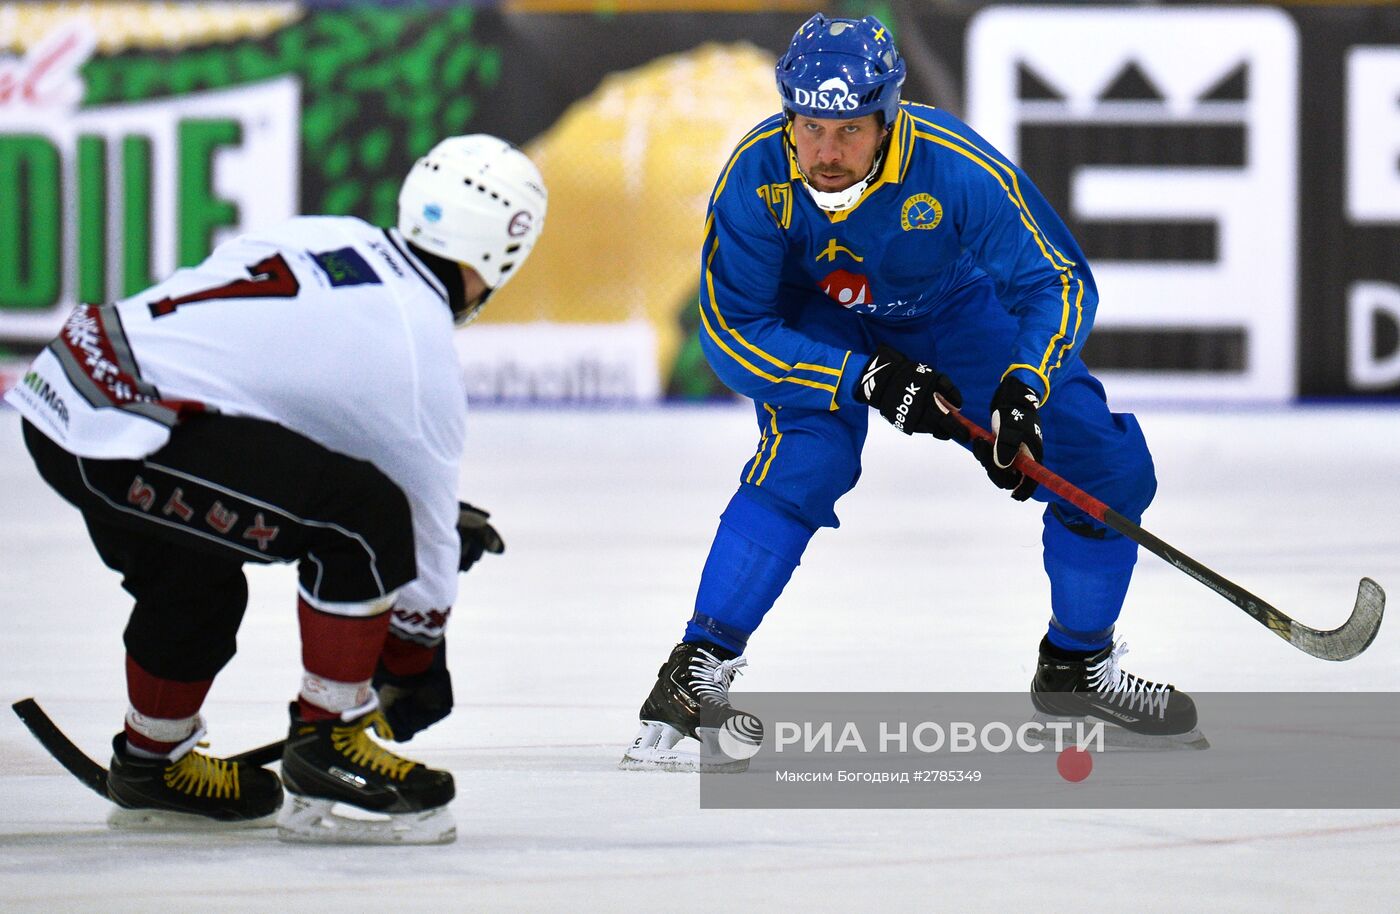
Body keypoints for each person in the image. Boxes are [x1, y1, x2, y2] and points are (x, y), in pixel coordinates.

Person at [621, 14, 1204, 771]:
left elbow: (1055, 279)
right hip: (815, 317)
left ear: (888, 116)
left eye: (850, 130)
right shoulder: (756, 179)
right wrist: (858, 378)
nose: (826, 154)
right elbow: (732, 334)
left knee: (1107, 467)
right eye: (808, 127)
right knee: (812, 453)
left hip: (947, 308)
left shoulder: (955, 165)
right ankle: (695, 670)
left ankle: (1076, 668)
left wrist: (1022, 387)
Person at [6, 135, 546, 841]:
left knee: (196, 581)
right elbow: (418, 538)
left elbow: (265, 380)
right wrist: (415, 664)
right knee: (363, 520)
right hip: (119, 432)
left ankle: (153, 762)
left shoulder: (328, 235)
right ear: (503, 255)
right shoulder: (420, 351)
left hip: (78, 389)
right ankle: (330, 742)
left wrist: (424, 518)